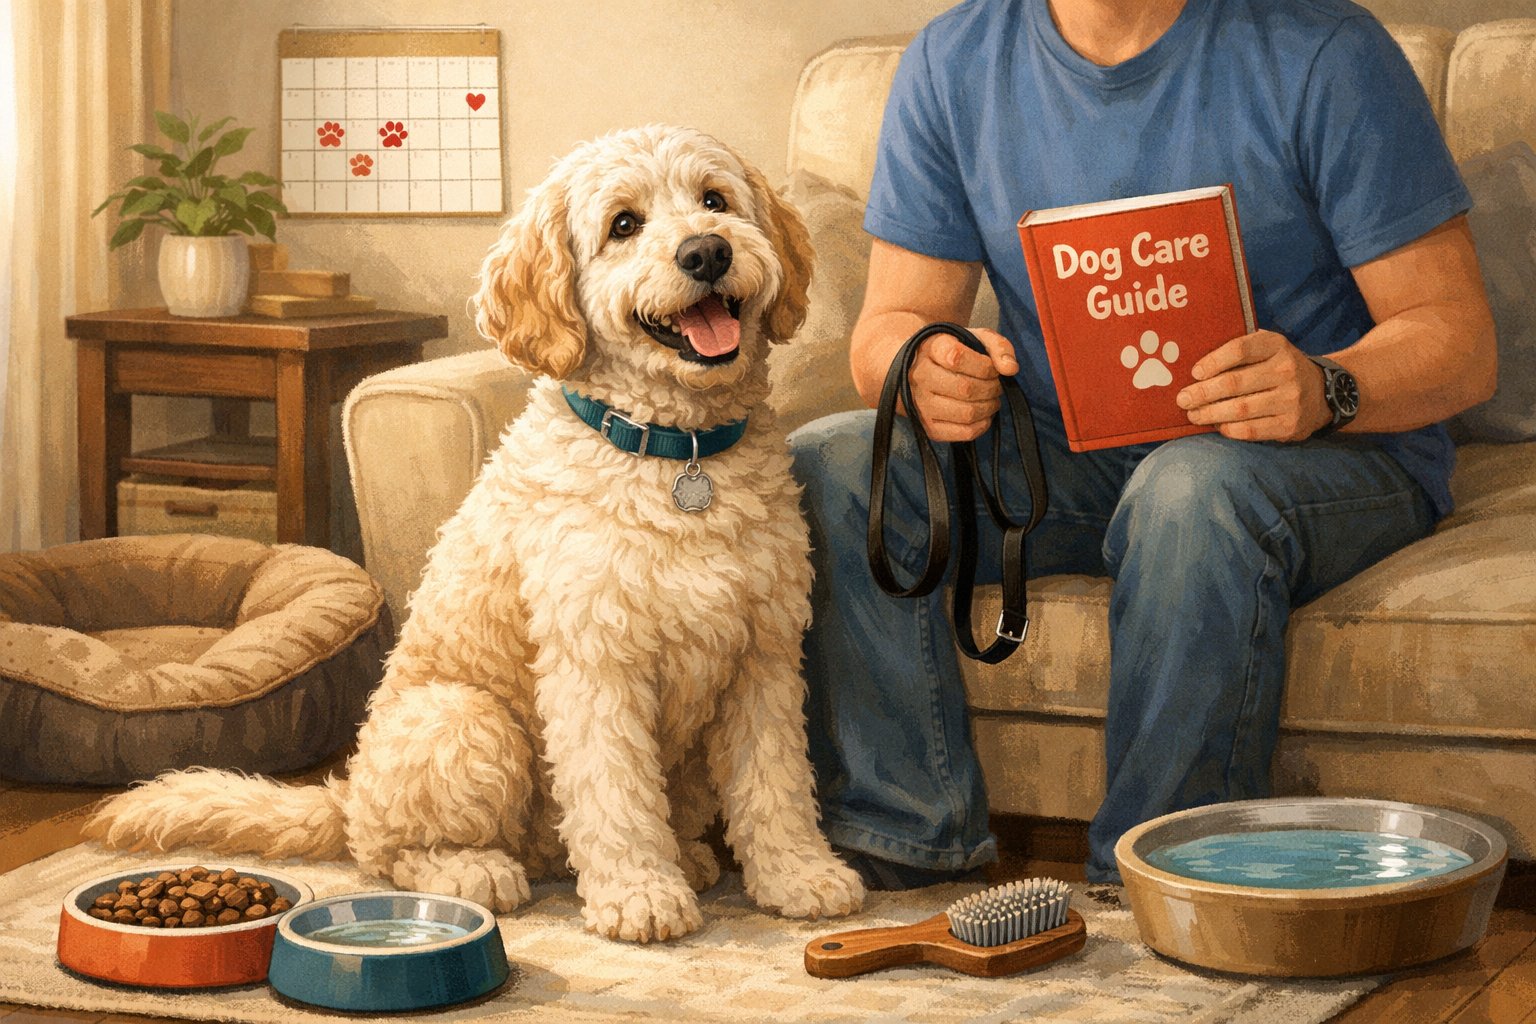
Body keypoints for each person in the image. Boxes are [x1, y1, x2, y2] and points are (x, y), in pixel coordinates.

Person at [788, 0, 1497, 888]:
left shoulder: (1326, 51)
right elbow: (889, 328)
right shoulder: (953, 60)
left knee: (1189, 489)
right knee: (835, 460)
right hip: (1066, 448)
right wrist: (921, 363)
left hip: (1321, 452)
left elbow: (1461, 343)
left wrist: (1324, 387)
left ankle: (1155, 885)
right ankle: (901, 848)